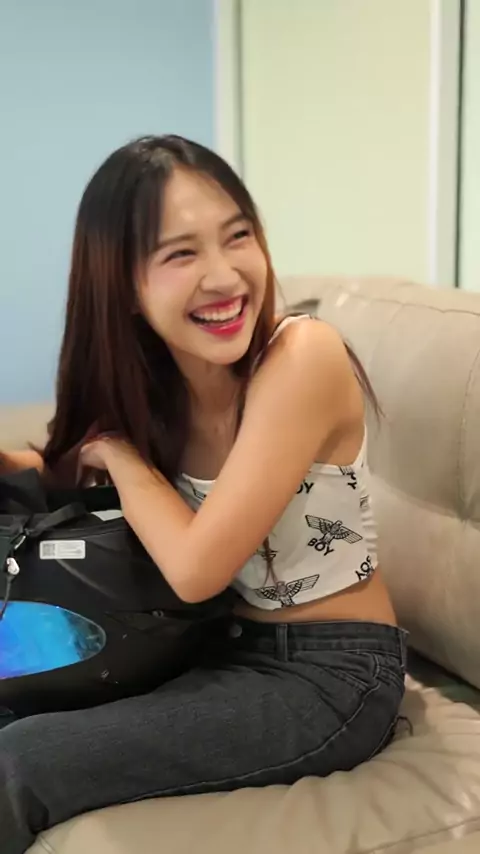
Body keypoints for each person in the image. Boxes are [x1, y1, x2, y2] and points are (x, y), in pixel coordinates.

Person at [0, 135, 406, 854]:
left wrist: (121, 454)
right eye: (181, 253)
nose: (224, 276)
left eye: (237, 236)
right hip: (210, 645)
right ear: (123, 286)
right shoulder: (158, 384)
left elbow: (196, 570)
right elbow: (59, 471)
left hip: (333, 674)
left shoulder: (301, 356)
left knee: (15, 763)